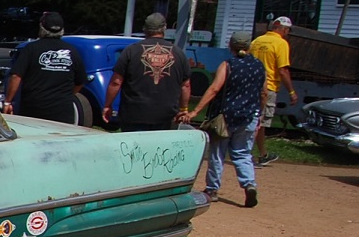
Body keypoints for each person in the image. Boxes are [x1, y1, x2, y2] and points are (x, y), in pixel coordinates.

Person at [188, 32, 265, 208]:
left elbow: (214, 89)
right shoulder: (259, 66)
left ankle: (212, 189)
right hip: (249, 116)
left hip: (226, 117)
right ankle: (249, 184)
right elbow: (264, 92)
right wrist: (259, 114)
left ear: (231, 46)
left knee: (217, 153)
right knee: (243, 153)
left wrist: (196, 111)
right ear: (249, 46)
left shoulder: (228, 65)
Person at [103, 13, 191, 131]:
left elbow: (116, 82)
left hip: (134, 114)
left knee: (132, 148)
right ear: (164, 28)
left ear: (145, 29)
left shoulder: (131, 50)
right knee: (160, 149)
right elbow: (185, 85)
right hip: (166, 116)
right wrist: (184, 109)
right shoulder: (178, 53)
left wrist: (108, 105)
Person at [4, 11, 88, 124]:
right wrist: (66, 95)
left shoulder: (31, 49)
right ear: (62, 30)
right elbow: (80, 81)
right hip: (63, 111)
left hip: (34, 110)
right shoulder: (72, 51)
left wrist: (8, 102)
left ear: (41, 27)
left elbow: (16, 76)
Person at [248, 15, 296, 166]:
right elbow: (282, 71)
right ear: (283, 29)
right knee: (259, 122)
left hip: (250, 86)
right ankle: (246, 156)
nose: (287, 33)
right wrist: (291, 92)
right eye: (287, 30)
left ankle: (263, 154)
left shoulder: (256, 41)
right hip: (267, 88)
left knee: (253, 121)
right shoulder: (281, 43)